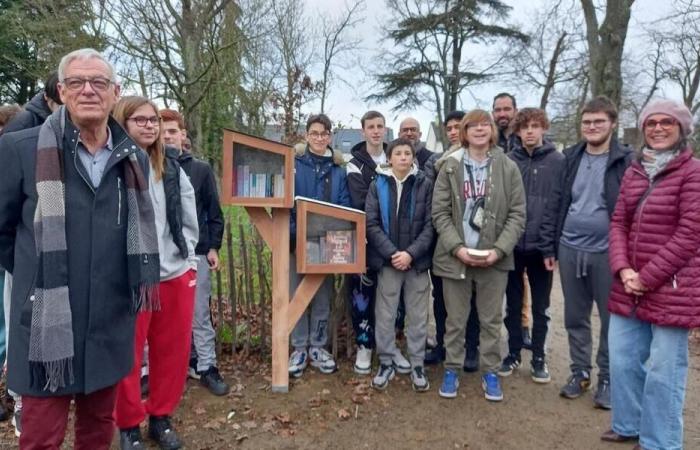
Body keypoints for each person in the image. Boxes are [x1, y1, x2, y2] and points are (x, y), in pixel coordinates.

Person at [0, 48, 157, 449]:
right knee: (40, 439)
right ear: (62, 91)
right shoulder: (21, 149)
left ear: (114, 92)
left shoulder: (132, 157)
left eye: (99, 82)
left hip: (107, 323)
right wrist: (39, 273)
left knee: (96, 433)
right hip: (44, 325)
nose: (88, 90)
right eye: (76, 82)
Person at [600, 100, 700, 450]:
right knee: (623, 358)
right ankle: (628, 423)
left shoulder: (693, 173)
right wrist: (623, 268)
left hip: (672, 287)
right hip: (629, 282)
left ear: (682, 128)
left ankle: (660, 441)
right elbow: (618, 223)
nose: (657, 128)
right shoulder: (636, 170)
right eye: (651, 122)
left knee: (664, 371)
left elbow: (691, 232)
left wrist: (647, 276)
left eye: (666, 122)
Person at [112, 97, 199, 450]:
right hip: (132, 275)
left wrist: (188, 257)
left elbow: (188, 214)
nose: (149, 126)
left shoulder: (172, 167)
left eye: (153, 121)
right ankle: (129, 424)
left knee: (172, 352)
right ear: (122, 122)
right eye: (140, 120)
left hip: (174, 273)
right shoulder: (111, 166)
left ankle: (160, 418)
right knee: (128, 355)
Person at [539, 96, 633, 409]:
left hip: (608, 252)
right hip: (569, 247)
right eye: (587, 122)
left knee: (611, 320)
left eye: (598, 122)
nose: (591, 127)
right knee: (575, 316)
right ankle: (580, 372)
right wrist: (550, 245)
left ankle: (607, 377)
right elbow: (557, 202)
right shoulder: (570, 158)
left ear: (613, 124)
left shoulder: (625, 161)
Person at [432, 109, 525, 402]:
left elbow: (517, 214)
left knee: (490, 320)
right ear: (464, 132)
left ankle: (491, 372)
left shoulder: (507, 167)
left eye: (485, 124)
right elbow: (440, 213)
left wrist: (499, 250)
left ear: (492, 130)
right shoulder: (449, 166)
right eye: (474, 125)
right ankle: (452, 369)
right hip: (455, 257)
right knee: (455, 320)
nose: (480, 129)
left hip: (492, 260)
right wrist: (456, 247)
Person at [156, 109, 229, 397]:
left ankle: (207, 366)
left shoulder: (199, 170)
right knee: (162, 315)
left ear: (183, 134)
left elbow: (214, 212)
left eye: (172, 131)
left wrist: (212, 247)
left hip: (194, 253)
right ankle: (167, 368)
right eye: (163, 131)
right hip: (159, 254)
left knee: (198, 313)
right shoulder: (145, 165)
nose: (167, 136)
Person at [499, 108, 564, 383]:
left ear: (544, 129)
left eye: (535, 126)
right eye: (524, 127)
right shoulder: (507, 161)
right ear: (517, 130)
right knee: (513, 306)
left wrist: (551, 247)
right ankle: (513, 353)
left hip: (541, 247)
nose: (529, 131)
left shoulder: (558, 162)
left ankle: (539, 356)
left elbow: (558, 205)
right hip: (512, 246)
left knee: (541, 307)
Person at [365, 138, 434, 391]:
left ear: (413, 158)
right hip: (388, 261)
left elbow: (430, 224)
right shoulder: (378, 184)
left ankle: (417, 363)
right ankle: (386, 361)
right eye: (398, 153)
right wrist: (394, 254)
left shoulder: (425, 184)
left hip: (417, 263)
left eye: (408, 153)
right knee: (385, 314)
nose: (403, 157)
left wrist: (411, 254)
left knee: (417, 316)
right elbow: (371, 223)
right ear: (390, 158)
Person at [346, 111, 410, 376]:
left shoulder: (395, 156)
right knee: (362, 294)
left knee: (395, 298)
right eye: (370, 127)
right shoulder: (354, 164)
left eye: (380, 126)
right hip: (365, 240)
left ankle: (391, 345)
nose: (375, 131)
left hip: (394, 242)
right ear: (362, 131)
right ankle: (365, 345)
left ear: (386, 130)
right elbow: (359, 201)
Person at [287, 114, 351, 378]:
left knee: (322, 296)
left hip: (327, 242)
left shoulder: (338, 170)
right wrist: (293, 235)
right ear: (306, 135)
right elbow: (285, 201)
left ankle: (317, 346)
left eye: (324, 134)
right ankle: (299, 348)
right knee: (296, 294)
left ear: (330, 137)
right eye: (314, 133)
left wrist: (332, 234)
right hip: (295, 240)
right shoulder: (294, 165)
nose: (319, 138)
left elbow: (344, 205)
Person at [424, 110, 482, 372]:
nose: (452, 132)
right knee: (441, 297)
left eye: (458, 126)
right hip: (442, 239)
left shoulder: (480, 161)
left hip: (472, 237)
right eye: (449, 128)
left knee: (470, 296)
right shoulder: (436, 162)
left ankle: (471, 347)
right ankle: (442, 345)